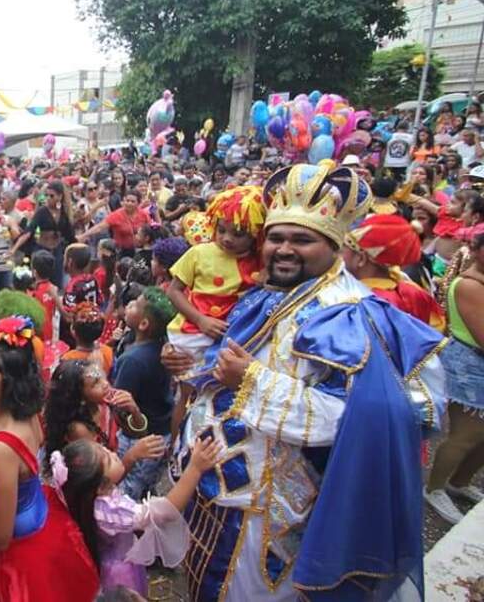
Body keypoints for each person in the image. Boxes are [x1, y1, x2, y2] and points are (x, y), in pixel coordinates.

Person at [161, 161, 446, 600]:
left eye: (302, 239)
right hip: (216, 487)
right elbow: (231, 364)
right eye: (276, 237)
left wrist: (250, 379)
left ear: (334, 246)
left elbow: (353, 419)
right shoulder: (270, 294)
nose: (285, 249)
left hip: (270, 515)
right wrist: (194, 368)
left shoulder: (349, 315)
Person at [0, 316, 100, 601]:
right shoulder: (27, 411)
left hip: (17, 548)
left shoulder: (2, 447)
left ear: (9, 380)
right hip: (42, 517)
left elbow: (0, 538)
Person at [50, 434, 222, 597]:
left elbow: (111, 478)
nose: (112, 452)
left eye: (105, 448)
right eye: (109, 459)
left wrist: (131, 456)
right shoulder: (111, 512)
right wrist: (195, 468)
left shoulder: (83, 495)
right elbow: (165, 512)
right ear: (101, 487)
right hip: (120, 575)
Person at [424, 231, 484, 524]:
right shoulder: (470, 286)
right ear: (477, 250)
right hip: (470, 365)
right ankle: (434, 488)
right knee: (466, 433)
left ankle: (460, 482)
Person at [165, 185, 264, 365]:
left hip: (232, 338)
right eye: (221, 230)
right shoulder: (198, 253)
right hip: (190, 335)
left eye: (238, 234)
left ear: (256, 233)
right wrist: (200, 320)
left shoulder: (262, 260)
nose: (227, 238)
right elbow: (173, 291)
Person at [112, 287, 177, 499]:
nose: (129, 305)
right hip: (161, 431)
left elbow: (121, 407)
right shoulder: (162, 347)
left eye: (135, 305)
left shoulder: (132, 360)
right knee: (146, 482)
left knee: (129, 488)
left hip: (138, 438)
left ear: (143, 324)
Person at [342, 214, 444, 329]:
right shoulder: (414, 291)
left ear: (361, 259)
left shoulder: (362, 301)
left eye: (343, 250)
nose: (338, 256)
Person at [80, 191, 151, 258]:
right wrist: (84, 235)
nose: (129, 203)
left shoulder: (143, 214)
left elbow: (151, 229)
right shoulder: (116, 215)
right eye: (127, 201)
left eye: (132, 201)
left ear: (138, 203)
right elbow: (100, 227)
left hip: (139, 250)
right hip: (121, 252)